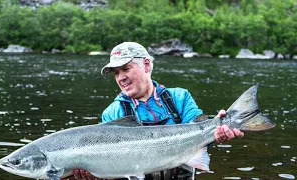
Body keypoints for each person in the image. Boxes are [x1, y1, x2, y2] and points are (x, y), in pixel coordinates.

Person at [62, 42, 244, 180]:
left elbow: (201, 132)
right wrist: (96, 174)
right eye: (116, 73)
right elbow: (111, 167)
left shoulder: (179, 98)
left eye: (126, 68)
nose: (121, 78)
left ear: (147, 65)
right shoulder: (113, 113)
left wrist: (218, 131)